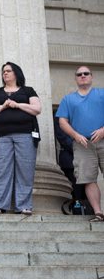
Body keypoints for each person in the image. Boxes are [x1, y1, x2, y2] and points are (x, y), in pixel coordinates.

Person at [0, 62, 41, 215]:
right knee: (1, 170)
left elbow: (37, 109)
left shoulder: (28, 91)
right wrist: (3, 106)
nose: (5, 74)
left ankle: (23, 205)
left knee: (25, 170)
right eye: (3, 72)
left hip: (26, 135)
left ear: (16, 73)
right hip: (1, 136)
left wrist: (17, 105)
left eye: (8, 71)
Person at [56, 66, 104, 222]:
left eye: (86, 73)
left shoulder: (101, 93)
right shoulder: (68, 99)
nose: (83, 76)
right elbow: (63, 121)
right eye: (79, 74)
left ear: (92, 76)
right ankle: (98, 213)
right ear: (75, 78)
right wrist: (75, 135)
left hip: (103, 140)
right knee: (88, 178)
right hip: (82, 144)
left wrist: (103, 130)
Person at [53, 113, 87, 205]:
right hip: (70, 160)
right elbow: (63, 138)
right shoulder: (60, 115)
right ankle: (78, 211)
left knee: (87, 190)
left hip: (87, 160)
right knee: (76, 192)